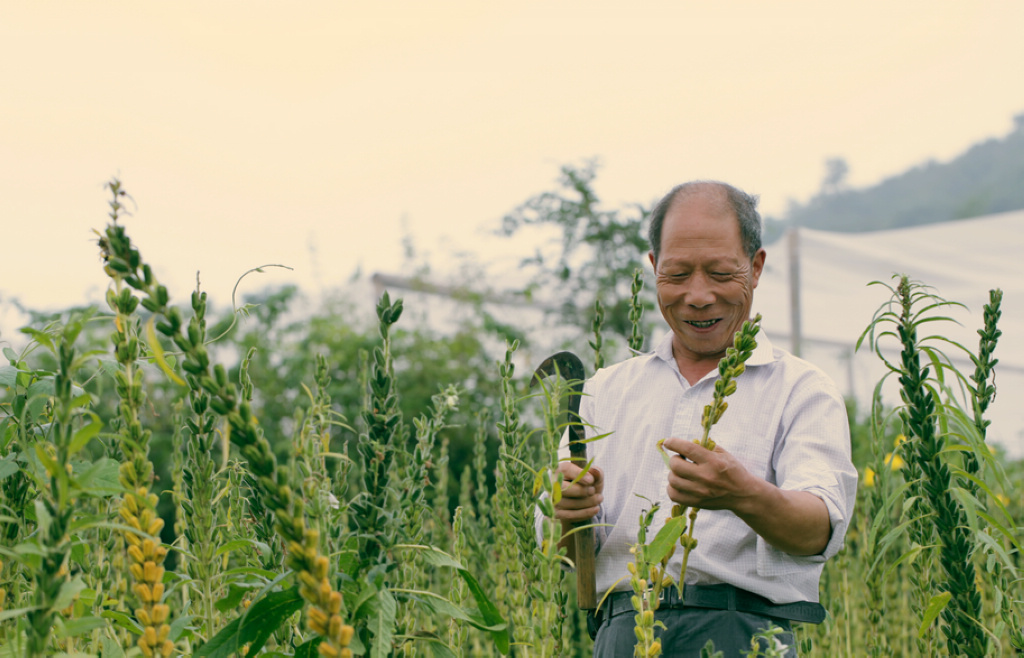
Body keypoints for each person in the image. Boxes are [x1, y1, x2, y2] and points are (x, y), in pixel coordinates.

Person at [552, 181, 858, 656]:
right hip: (622, 634)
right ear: (653, 268)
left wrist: (742, 494)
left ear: (755, 268)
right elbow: (572, 552)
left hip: (747, 635)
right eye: (676, 274)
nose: (697, 296)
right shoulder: (602, 392)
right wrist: (568, 517)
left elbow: (818, 530)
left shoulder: (801, 388)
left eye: (719, 273)